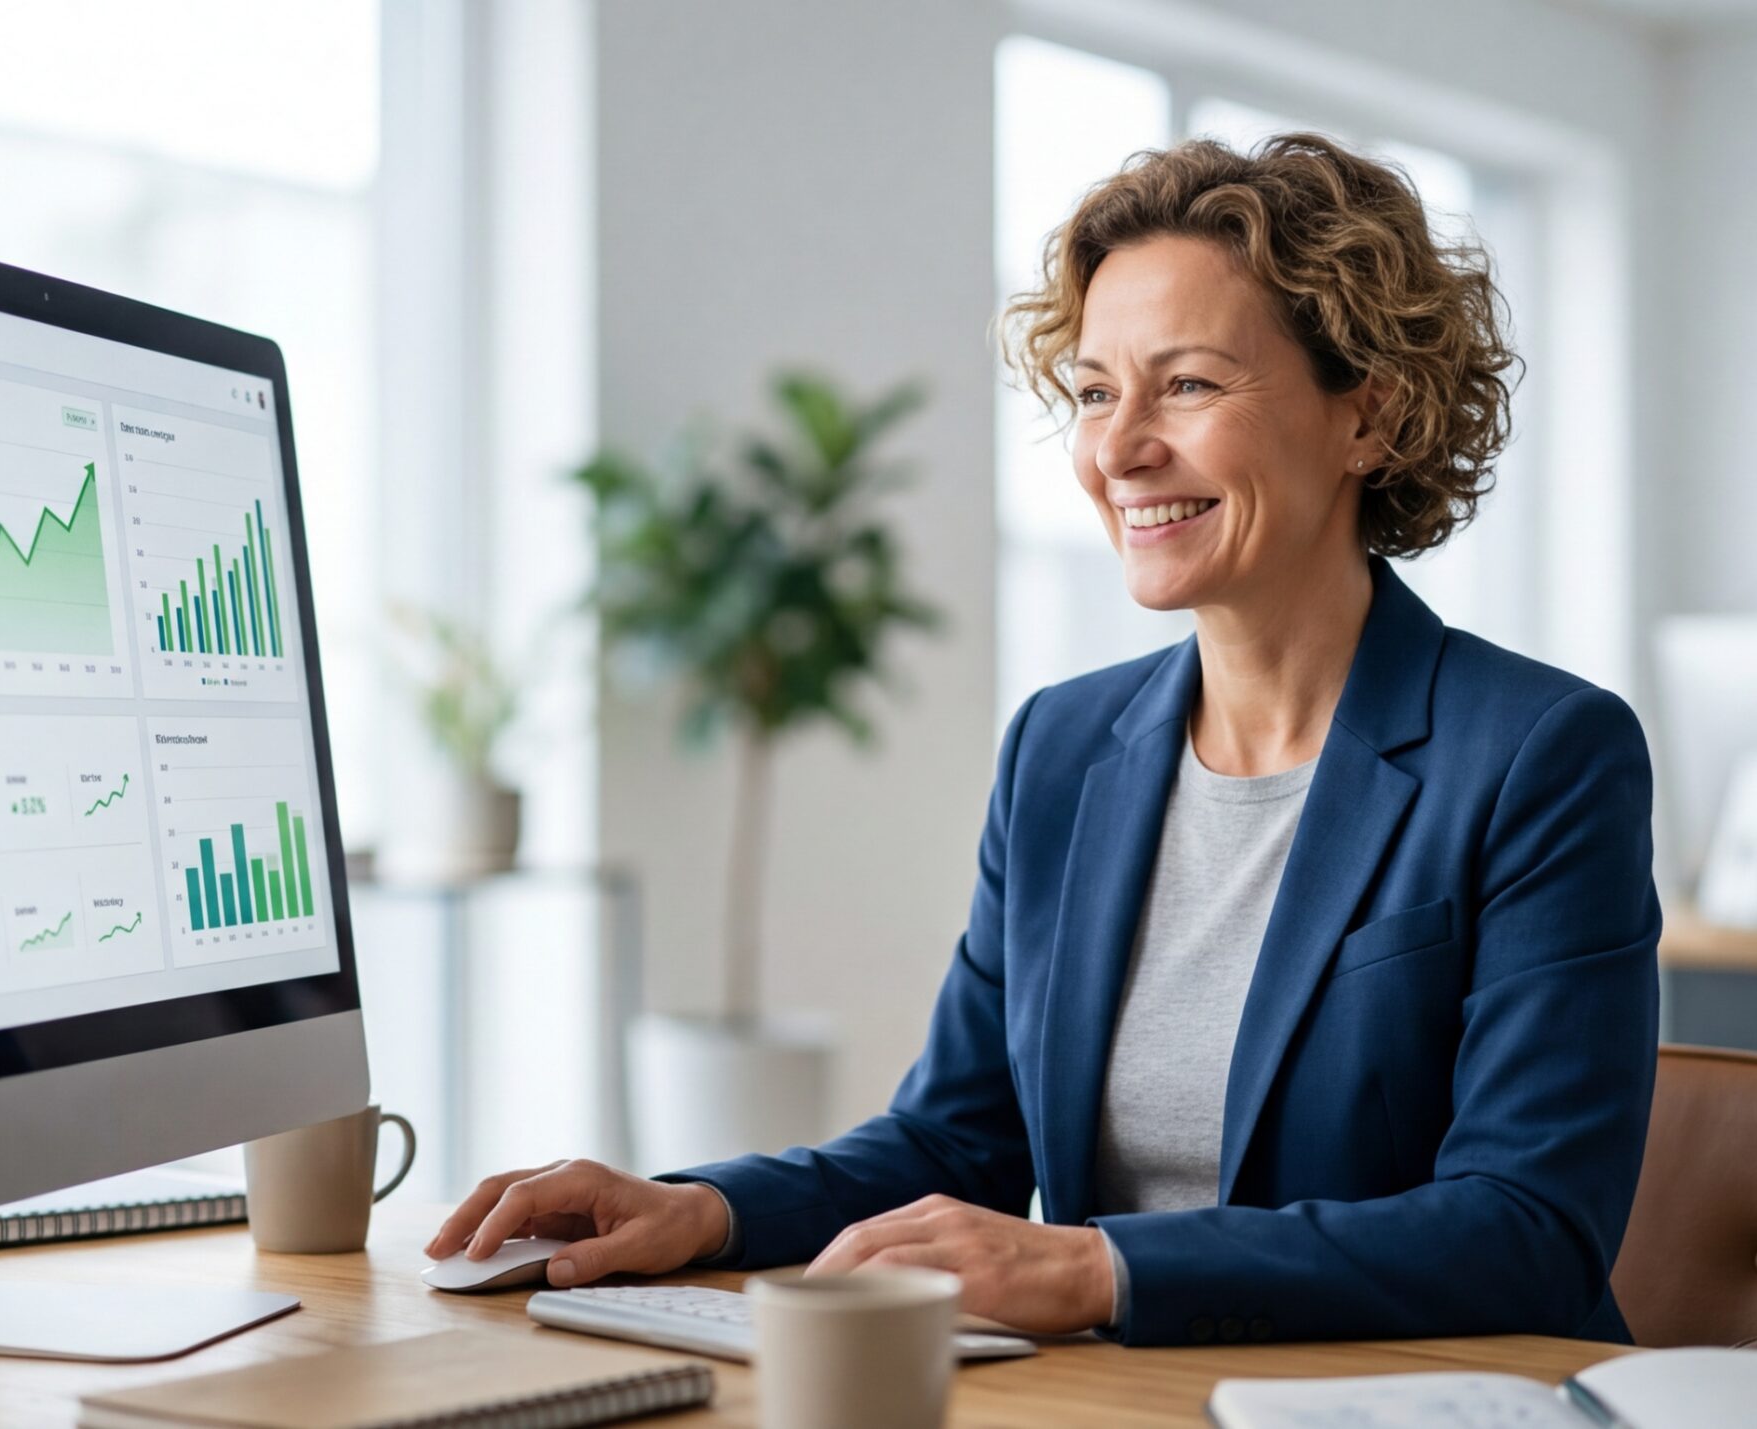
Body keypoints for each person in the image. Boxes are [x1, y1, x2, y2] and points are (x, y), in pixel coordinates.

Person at [429, 135, 1661, 1347]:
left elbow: (1528, 1229)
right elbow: (955, 1139)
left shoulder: (1541, 755)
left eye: (1188, 385)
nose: (1118, 449)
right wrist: (705, 1209)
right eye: (1093, 391)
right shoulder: (1061, 750)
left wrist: (1094, 1268)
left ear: (1368, 416)